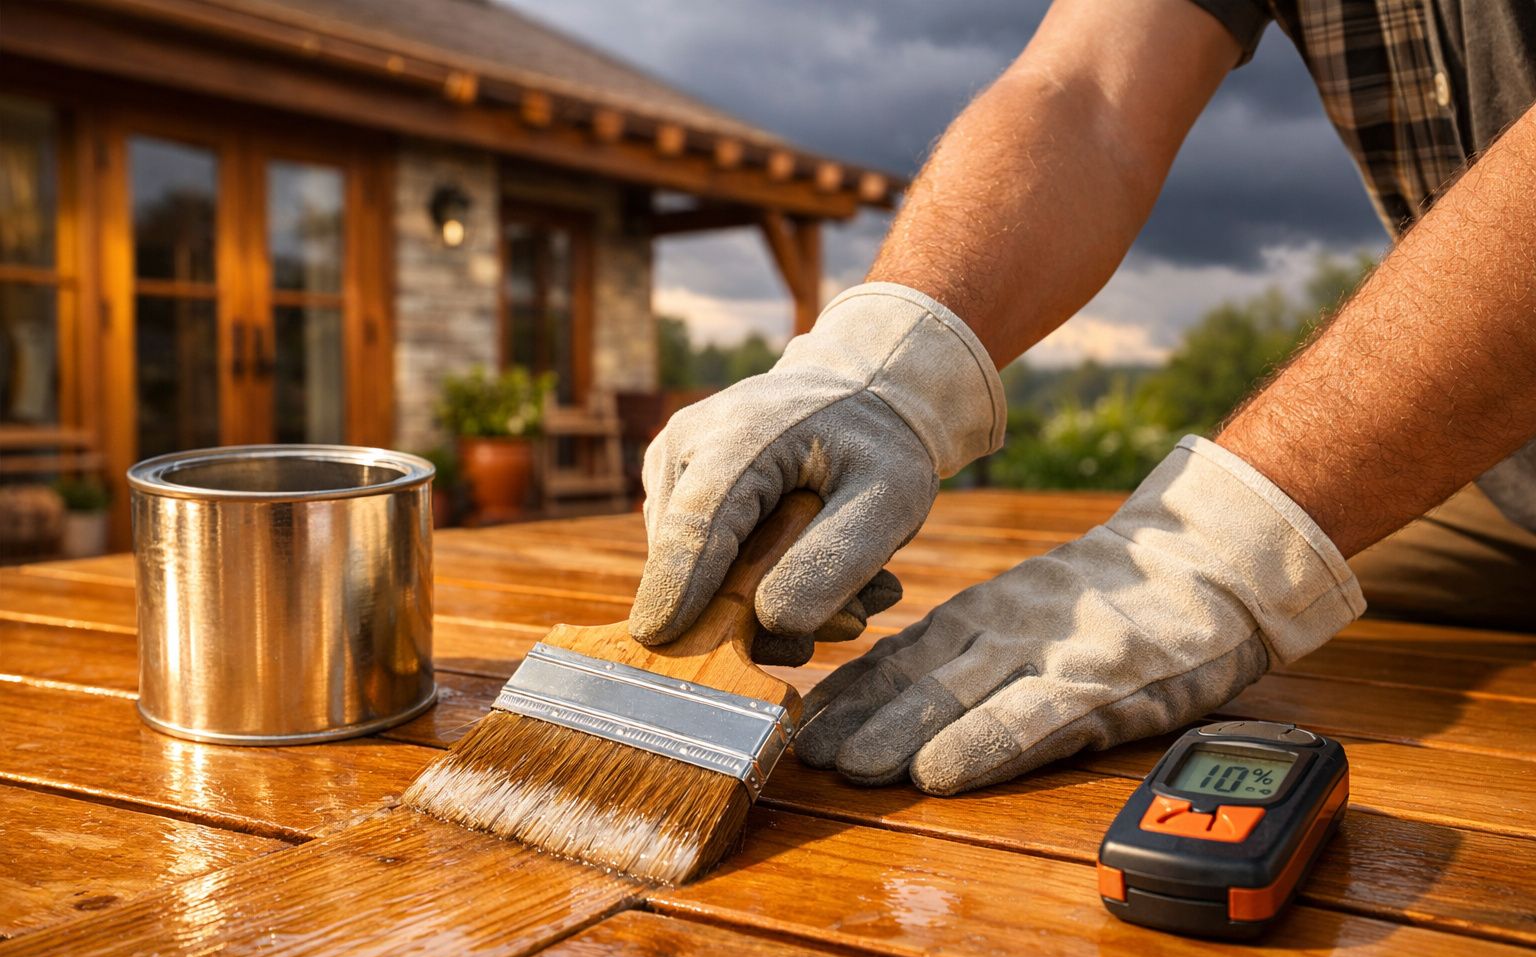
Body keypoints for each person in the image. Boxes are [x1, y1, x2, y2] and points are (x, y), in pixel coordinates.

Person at [630, 0, 1536, 795]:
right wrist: (876, 368)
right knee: (1324, 625)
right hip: (1504, 470)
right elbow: (1089, 89)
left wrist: (1216, 551)